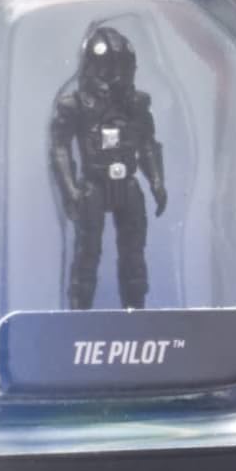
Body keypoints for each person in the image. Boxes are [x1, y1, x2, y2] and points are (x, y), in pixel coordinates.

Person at [48, 24, 167, 310]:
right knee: (87, 255)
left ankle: (135, 313)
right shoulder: (75, 104)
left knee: (134, 257)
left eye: (121, 68)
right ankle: (79, 316)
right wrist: (70, 189)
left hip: (127, 183)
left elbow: (148, 143)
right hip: (94, 185)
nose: (114, 77)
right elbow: (60, 147)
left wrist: (156, 181)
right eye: (107, 69)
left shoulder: (136, 103)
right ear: (92, 68)